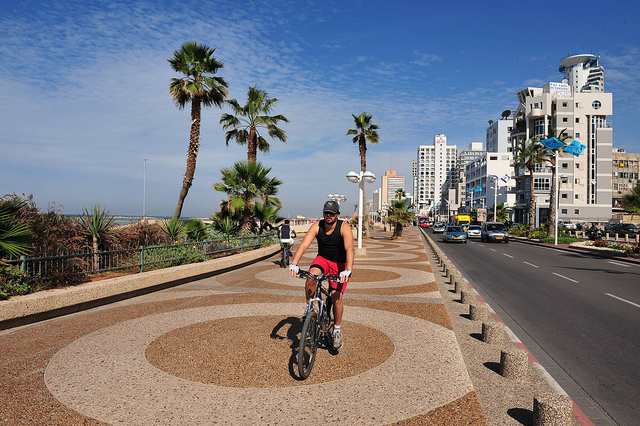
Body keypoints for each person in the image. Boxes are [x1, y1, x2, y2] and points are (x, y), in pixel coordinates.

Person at [288, 200, 354, 350]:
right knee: (311, 276)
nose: (328, 215)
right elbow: (304, 245)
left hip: (340, 263)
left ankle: (336, 330)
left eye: (332, 213)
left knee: (336, 297)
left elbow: (349, 248)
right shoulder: (318, 226)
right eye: (326, 212)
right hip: (323, 259)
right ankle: (308, 307)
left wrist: (348, 269)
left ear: (337, 214)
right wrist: (294, 263)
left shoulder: (344, 227)